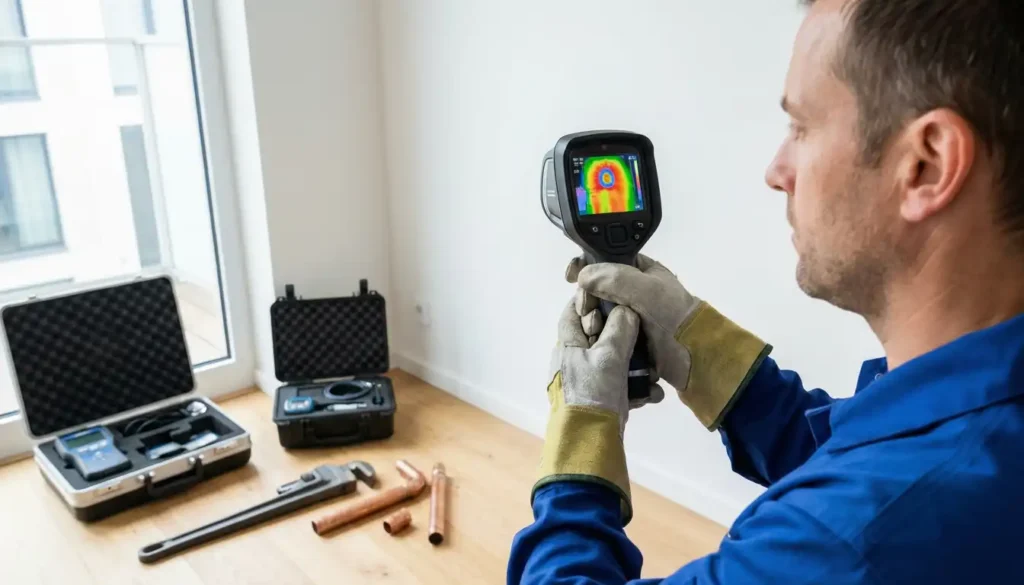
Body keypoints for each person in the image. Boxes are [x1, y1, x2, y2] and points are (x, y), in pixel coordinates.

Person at [507, 0, 1024, 583]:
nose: (777, 170)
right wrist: (702, 350)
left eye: (801, 127)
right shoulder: (973, 424)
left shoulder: (843, 542)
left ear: (927, 165)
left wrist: (579, 440)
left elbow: (872, 506)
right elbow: (859, 459)